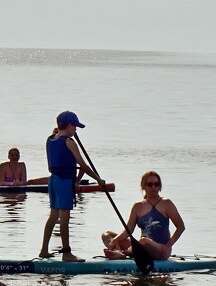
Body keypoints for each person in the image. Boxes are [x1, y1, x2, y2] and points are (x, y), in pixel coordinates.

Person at [39, 111, 105, 262]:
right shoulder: (69, 142)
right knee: (64, 218)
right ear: (68, 125)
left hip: (53, 180)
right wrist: (98, 179)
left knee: (53, 216)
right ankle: (66, 253)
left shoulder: (50, 139)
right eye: (75, 126)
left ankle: (43, 250)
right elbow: (83, 165)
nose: (76, 129)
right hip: (63, 182)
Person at [102, 171, 185, 261]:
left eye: (156, 184)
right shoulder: (137, 206)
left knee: (143, 241)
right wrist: (115, 240)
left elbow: (181, 227)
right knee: (106, 235)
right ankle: (119, 252)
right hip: (141, 246)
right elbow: (128, 230)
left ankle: (123, 254)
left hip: (161, 249)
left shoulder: (166, 203)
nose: (153, 187)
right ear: (143, 186)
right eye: (150, 184)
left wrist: (168, 246)